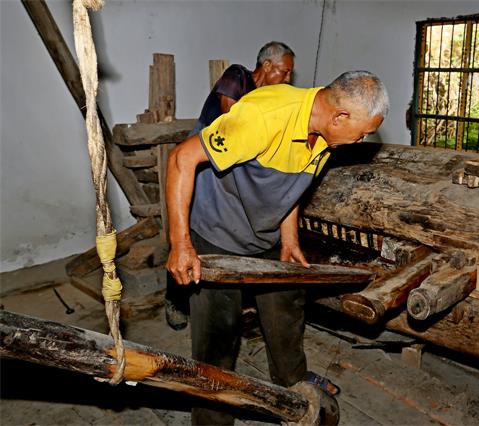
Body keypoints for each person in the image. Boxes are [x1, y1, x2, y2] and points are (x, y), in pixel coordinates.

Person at [166, 70, 389, 425]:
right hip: (218, 229)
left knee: (287, 308)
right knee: (218, 340)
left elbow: (292, 185)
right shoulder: (265, 116)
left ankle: (291, 388)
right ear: (340, 116)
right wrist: (180, 244)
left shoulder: (324, 133)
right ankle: (211, 421)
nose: (361, 141)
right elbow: (181, 158)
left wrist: (289, 240)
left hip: (264, 234)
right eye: (362, 133)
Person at [165, 41, 295, 330]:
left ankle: (237, 301)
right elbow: (229, 117)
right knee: (190, 232)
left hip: (230, 169)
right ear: (267, 66)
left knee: (234, 235)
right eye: (285, 73)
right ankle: (175, 299)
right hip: (201, 164)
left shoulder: (269, 99)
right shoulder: (238, 75)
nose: (287, 80)